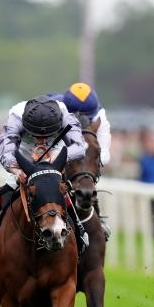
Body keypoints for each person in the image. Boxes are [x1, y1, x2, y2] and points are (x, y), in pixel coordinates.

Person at [0, 94, 89, 270]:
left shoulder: (64, 113)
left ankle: (78, 227)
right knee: (11, 184)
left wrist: (55, 158)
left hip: (55, 149)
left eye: (45, 135)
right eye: (36, 135)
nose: (41, 139)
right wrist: (17, 171)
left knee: (57, 186)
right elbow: (6, 151)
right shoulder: (16, 115)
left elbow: (80, 146)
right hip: (24, 150)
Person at [55, 82, 113, 238]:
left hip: (82, 164)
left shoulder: (100, 117)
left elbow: (104, 156)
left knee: (88, 170)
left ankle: (98, 218)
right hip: (37, 137)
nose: (82, 120)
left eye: (87, 117)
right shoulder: (56, 112)